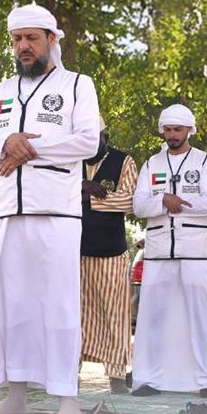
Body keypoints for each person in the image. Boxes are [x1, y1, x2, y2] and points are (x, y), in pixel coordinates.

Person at [0, 4, 100, 414]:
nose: (23, 46)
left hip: (57, 212)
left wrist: (29, 148)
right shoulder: (1, 90)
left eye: (31, 38)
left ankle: (67, 400)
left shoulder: (77, 84)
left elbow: (87, 142)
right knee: (12, 306)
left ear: (51, 39)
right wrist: (4, 143)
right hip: (8, 212)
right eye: (17, 39)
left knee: (58, 305)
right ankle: (15, 395)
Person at [131, 104, 207, 398]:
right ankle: (147, 380)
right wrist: (162, 200)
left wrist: (176, 201)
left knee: (202, 317)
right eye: (168, 129)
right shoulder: (151, 164)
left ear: (189, 130)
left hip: (194, 251)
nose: (172, 135)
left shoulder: (205, 161)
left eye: (178, 129)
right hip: (158, 252)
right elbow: (138, 206)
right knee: (152, 318)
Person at [79, 117, 138, 393]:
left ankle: (116, 377)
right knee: (76, 314)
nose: (90, 145)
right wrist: (81, 184)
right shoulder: (71, 160)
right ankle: (69, 372)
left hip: (112, 253)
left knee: (115, 314)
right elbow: (54, 193)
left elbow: (129, 200)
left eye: (96, 139)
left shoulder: (123, 161)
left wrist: (89, 197)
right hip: (75, 252)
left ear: (106, 137)